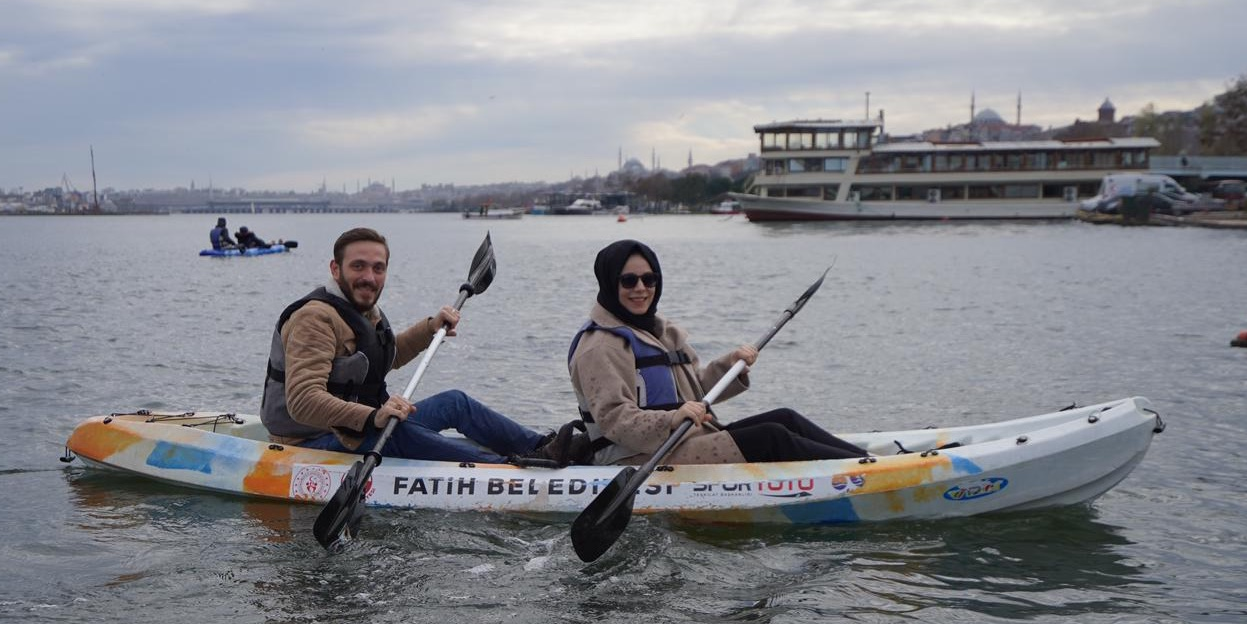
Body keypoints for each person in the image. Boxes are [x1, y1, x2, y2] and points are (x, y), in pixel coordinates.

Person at [261, 227, 568, 464]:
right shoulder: (313, 319)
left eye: (378, 268)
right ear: (335, 268)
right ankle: (506, 470)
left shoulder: (364, 311)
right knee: (400, 431)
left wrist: (431, 327)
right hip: (308, 442)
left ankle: (542, 447)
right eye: (358, 266)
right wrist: (373, 417)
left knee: (455, 402)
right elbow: (301, 401)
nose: (369, 277)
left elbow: (386, 356)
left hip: (355, 429)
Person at [567, 239, 866, 466]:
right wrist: (671, 420)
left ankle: (868, 463)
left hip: (683, 440)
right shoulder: (600, 346)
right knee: (771, 437)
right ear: (609, 283)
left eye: (650, 279)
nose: (641, 288)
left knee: (785, 418)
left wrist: (730, 365)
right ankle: (863, 472)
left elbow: (693, 392)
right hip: (639, 458)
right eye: (628, 281)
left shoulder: (659, 332)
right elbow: (614, 419)